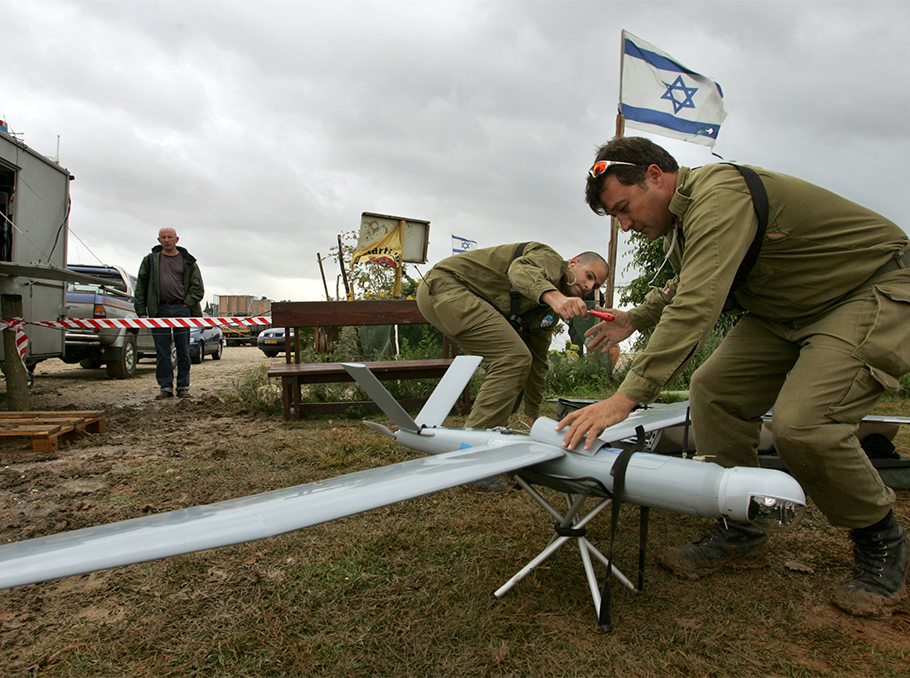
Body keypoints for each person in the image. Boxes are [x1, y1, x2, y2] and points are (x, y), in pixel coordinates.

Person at [556, 136, 910, 617]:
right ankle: (742, 531)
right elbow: (685, 284)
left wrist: (626, 398)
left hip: (865, 291)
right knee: (714, 392)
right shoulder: (684, 225)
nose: (625, 224)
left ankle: (880, 538)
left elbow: (697, 305)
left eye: (623, 207)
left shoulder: (719, 196)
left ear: (656, 176)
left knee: (804, 424)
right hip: (785, 312)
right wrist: (636, 317)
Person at [417, 242, 608, 491]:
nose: (589, 287)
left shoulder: (545, 311)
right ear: (572, 264)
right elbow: (520, 271)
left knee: (520, 361)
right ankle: (470, 462)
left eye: (596, 285)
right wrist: (556, 298)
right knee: (513, 358)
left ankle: (491, 449)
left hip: (452, 298)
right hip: (446, 287)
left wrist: (532, 419)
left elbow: (538, 362)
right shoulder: (549, 260)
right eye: (589, 276)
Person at [135, 227, 205, 399]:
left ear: (177, 239)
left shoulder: (188, 261)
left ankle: (183, 387)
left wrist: (187, 302)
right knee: (162, 351)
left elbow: (198, 287)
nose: (167, 240)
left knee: (183, 351)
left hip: (182, 309)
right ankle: (165, 387)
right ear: (159, 240)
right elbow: (141, 285)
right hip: (159, 310)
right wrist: (141, 309)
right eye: (163, 237)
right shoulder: (150, 261)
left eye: (170, 237)